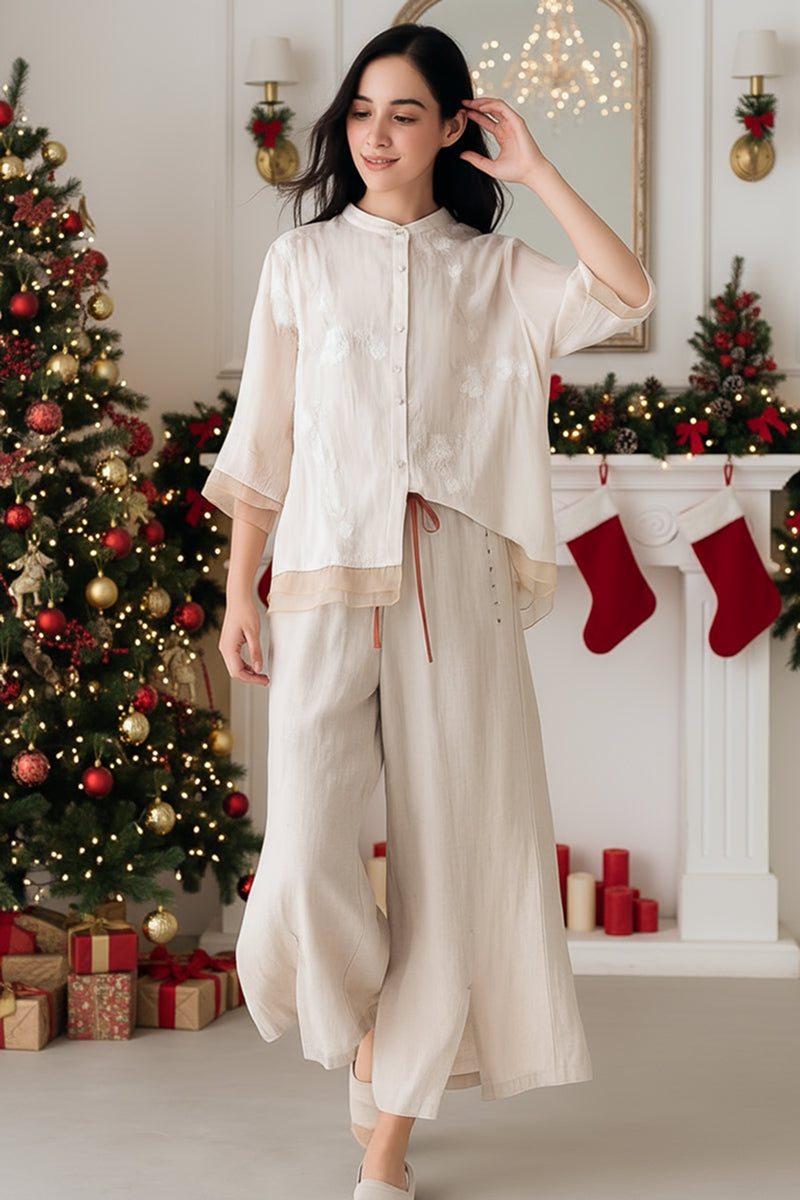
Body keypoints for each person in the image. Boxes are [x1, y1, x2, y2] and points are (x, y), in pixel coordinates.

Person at [203, 22, 656, 1200]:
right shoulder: (298, 263)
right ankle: (363, 1034)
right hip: (316, 578)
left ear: (451, 127)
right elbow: (266, 439)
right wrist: (237, 587)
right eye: (361, 112)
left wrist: (539, 173)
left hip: (451, 580)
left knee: (454, 861)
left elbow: (623, 292)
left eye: (404, 113)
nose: (374, 135)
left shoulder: (490, 269)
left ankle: (389, 1142)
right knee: (302, 851)